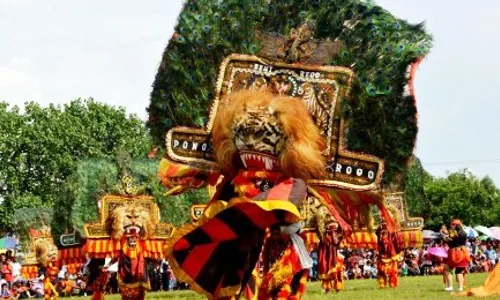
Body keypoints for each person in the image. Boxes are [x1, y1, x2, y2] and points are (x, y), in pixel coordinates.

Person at [444, 219, 471, 292]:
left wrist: (446, 238)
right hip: (463, 252)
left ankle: (450, 286)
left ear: (456, 225)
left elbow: (451, 243)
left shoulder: (454, 233)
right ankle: (460, 287)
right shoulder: (464, 233)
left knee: (447, 268)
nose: (451, 226)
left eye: (452, 224)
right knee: (459, 270)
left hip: (455, 252)